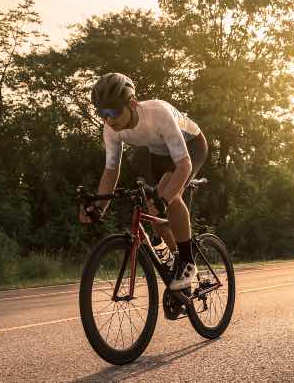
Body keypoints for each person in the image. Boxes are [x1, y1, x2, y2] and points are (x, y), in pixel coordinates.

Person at [79, 73, 208, 290]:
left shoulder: (158, 113)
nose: (109, 119)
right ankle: (174, 257)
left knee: (168, 195)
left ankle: (187, 262)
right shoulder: (111, 129)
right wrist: (99, 206)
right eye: (102, 113)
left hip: (192, 145)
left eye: (114, 111)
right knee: (154, 210)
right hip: (160, 152)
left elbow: (184, 165)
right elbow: (111, 171)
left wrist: (165, 200)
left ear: (132, 103)